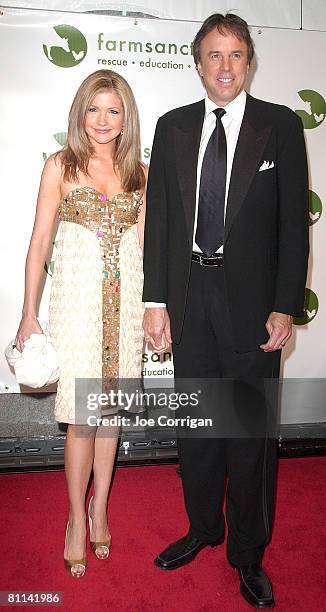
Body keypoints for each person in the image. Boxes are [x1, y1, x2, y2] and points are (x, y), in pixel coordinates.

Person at [143, 13, 308, 608]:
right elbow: (159, 219)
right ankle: (203, 529)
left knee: (249, 436)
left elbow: (294, 227)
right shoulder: (172, 127)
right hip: (188, 298)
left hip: (251, 309)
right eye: (214, 55)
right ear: (197, 63)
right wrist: (156, 300)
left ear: (249, 62)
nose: (225, 66)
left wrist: (284, 306)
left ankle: (247, 555)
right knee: (199, 430)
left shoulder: (281, 127)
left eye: (236, 54)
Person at [15, 69, 147, 577]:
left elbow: (150, 250)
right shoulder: (61, 167)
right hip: (76, 310)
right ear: (80, 112)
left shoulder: (140, 174)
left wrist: (157, 309)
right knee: (82, 419)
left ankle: (100, 509)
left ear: (126, 117)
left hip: (127, 311)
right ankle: (74, 518)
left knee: (110, 417)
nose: (103, 120)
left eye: (114, 110)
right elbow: (39, 242)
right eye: (94, 109)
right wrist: (30, 312)